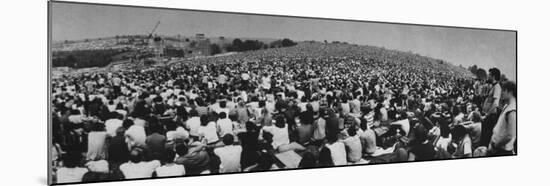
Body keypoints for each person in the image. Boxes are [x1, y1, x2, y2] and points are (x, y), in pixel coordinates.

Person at [488, 81, 517, 156]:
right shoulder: (507, 106)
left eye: (504, 90)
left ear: (510, 92)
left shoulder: (512, 110)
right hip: (497, 147)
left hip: (502, 150)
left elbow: (510, 135)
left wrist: (496, 145)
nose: (501, 93)